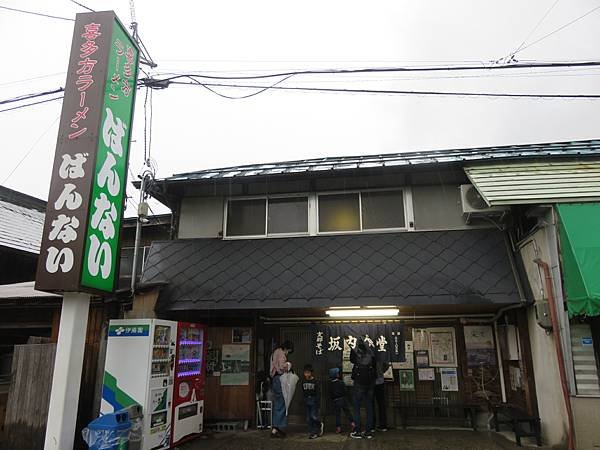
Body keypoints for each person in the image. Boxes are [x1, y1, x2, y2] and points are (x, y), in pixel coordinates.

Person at [349, 337, 376, 439]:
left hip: (359, 382)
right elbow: (374, 363)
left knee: (356, 407)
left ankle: (357, 431)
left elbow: (352, 360)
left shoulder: (355, 350)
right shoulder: (371, 350)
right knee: (369, 407)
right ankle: (368, 431)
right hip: (370, 383)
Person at [269, 340, 293, 438]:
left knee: (278, 403)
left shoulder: (275, 352)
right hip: (280, 379)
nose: (287, 353)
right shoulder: (282, 354)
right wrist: (289, 365)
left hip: (275, 379)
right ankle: (276, 428)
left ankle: (276, 428)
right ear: (286, 348)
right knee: (282, 403)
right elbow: (282, 367)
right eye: (289, 351)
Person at [328, 367, 355, 433]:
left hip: (336, 400)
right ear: (336, 375)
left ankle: (338, 428)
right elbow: (345, 391)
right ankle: (352, 423)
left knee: (337, 414)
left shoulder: (331, 384)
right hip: (343, 399)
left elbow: (330, 393)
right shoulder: (341, 383)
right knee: (347, 412)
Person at [301, 364, 324, 439]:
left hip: (313, 400)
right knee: (308, 418)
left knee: (313, 416)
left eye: (308, 373)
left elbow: (318, 393)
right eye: (305, 373)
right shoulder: (303, 381)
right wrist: (304, 399)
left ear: (311, 373)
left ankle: (318, 426)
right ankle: (312, 432)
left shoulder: (315, 381)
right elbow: (303, 391)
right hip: (307, 400)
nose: (306, 374)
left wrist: (317, 401)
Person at [373, 352, 390, 432]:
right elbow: (387, 365)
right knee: (381, 404)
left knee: (371, 403)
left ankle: (372, 425)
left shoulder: (369, 354)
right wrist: (380, 372)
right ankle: (383, 425)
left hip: (371, 382)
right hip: (380, 381)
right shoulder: (381, 353)